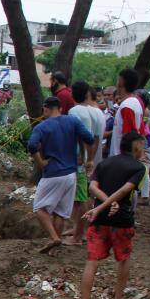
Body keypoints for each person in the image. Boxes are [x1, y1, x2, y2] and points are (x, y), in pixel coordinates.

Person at [76, 131, 147, 299]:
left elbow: (92, 187)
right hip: (122, 221)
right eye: (143, 145)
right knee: (124, 259)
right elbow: (125, 190)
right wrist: (108, 204)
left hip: (99, 222)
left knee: (92, 262)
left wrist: (102, 205)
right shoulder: (139, 168)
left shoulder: (105, 163)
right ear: (136, 147)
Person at [28, 95, 94, 246]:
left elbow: (31, 146)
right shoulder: (72, 121)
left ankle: (54, 238)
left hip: (52, 173)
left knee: (39, 208)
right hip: (71, 174)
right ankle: (53, 249)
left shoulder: (42, 127)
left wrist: (41, 162)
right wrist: (89, 159)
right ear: (61, 108)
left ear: (45, 108)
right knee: (60, 213)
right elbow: (89, 138)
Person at [68, 80, 105, 245]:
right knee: (82, 196)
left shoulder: (75, 111)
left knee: (81, 197)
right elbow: (94, 138)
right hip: (87, 158)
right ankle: (79, 229)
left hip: (77, 160)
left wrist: (84, 157)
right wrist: (91, 157)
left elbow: (83, 137)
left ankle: (78, 236)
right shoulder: (94, 112)